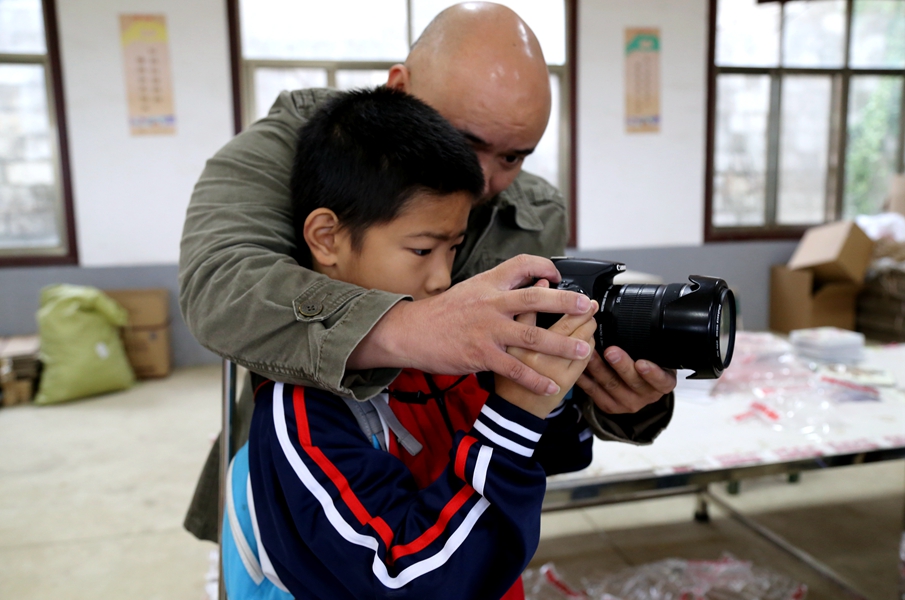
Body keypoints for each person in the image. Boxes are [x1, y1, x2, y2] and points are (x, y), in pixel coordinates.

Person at [180, 2, 676, 543]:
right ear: (399, 89)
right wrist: (418, 328)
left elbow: (537, 378)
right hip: (309, 492)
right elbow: (220, 284)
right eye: (467, 143)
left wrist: (618, 399)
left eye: (513, 157)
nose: (485, 181)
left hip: (445, 497)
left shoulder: (534, 213)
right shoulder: (310, 147)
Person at [222, 86, 597, 600]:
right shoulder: (301, 412)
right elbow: (411, 581)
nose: (444, 279)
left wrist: (549, 388)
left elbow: (559, 455)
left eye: (455, 247)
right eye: (422, 249)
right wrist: (514, 417)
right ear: (327, 238)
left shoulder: (446, 352)